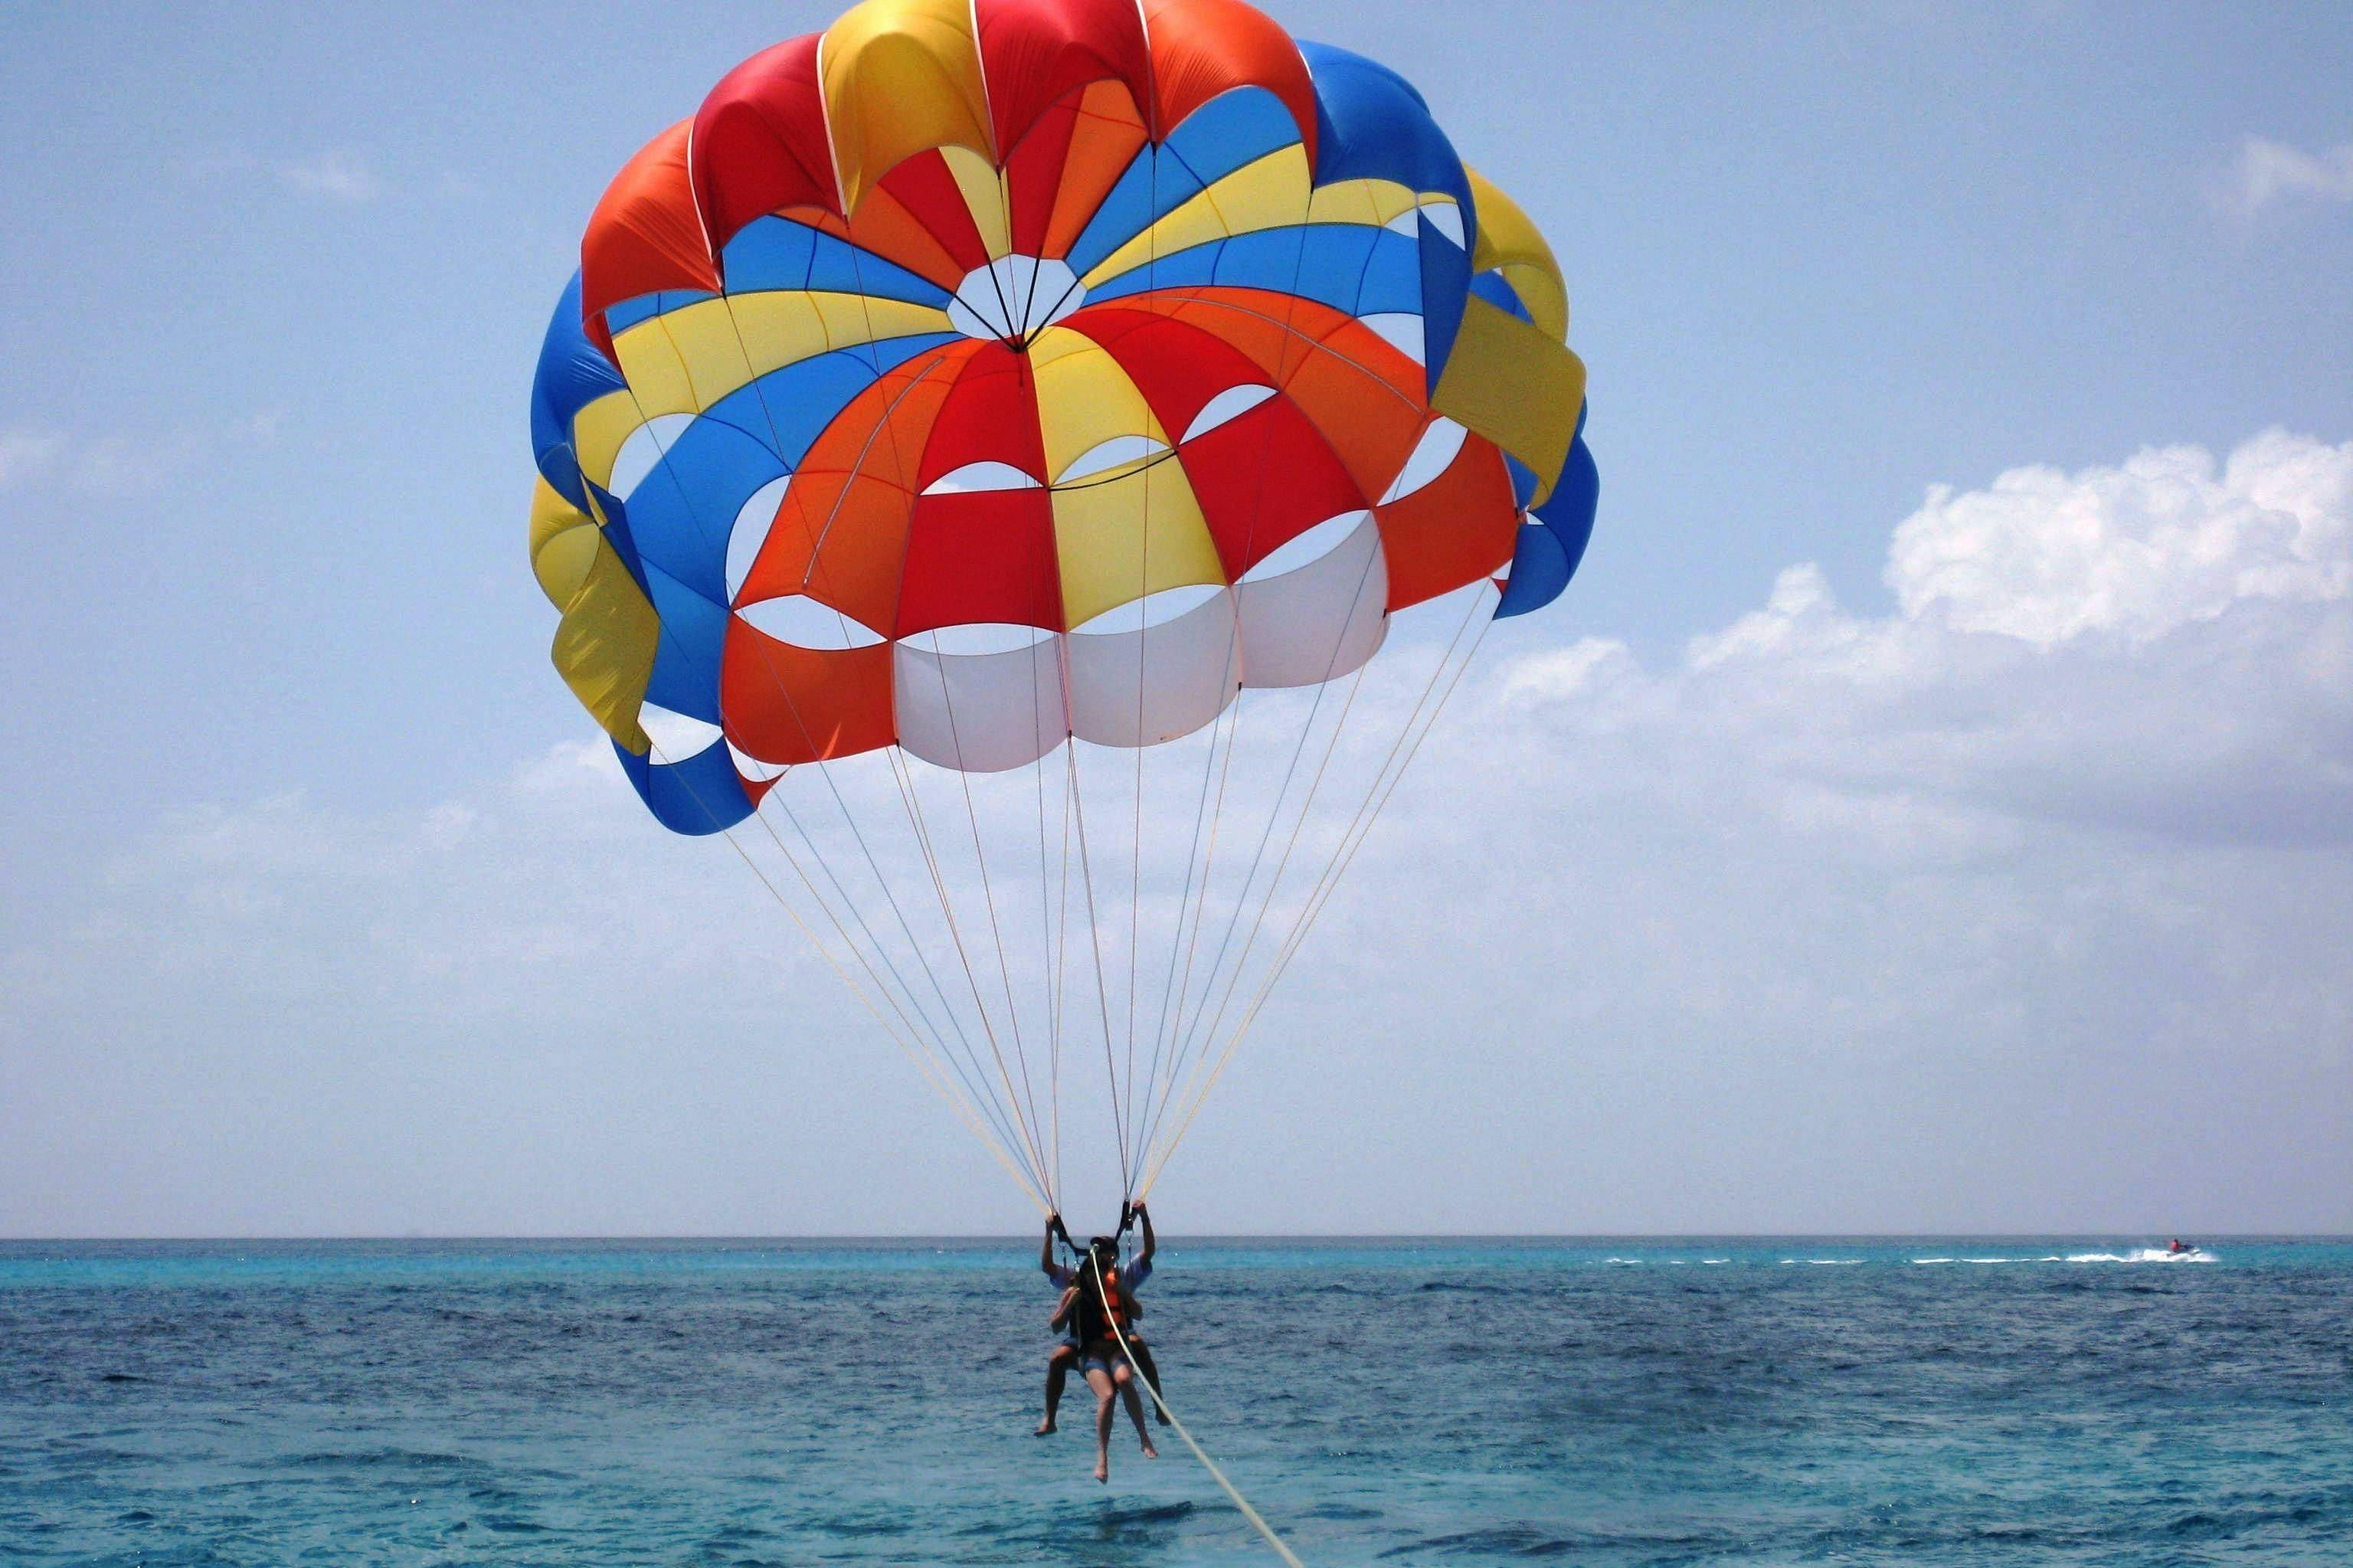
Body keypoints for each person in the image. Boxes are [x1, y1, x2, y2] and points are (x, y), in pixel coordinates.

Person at [1035, 1203, 1167, 1435]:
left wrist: (1144, 1218)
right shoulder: (1076, 1280)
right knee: (1057, 1359)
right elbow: (1047, 1266)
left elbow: (1149, 1253)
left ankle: (1159, 1406)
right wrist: (1049, 1231)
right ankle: (1050, 1418)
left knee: (1138, 1345)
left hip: (1119, 1337)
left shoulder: (1123, 1277)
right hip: (1082, 1341)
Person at [1050, 1232, 1158, 1482]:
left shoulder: (1118, 1284)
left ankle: (1144, 1437)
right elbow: (1055, 1327)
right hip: (1091, 1354)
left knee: (1124, 1380)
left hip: (1117, 1351)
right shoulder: (1076, 1286)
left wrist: (1124, 1293)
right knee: (1107, 1396)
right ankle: (1102, 1459)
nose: (1109, 1264)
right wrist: (1068, 1306)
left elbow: (1138, 1315)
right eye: (1105, 1259)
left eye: (1111, 1259)